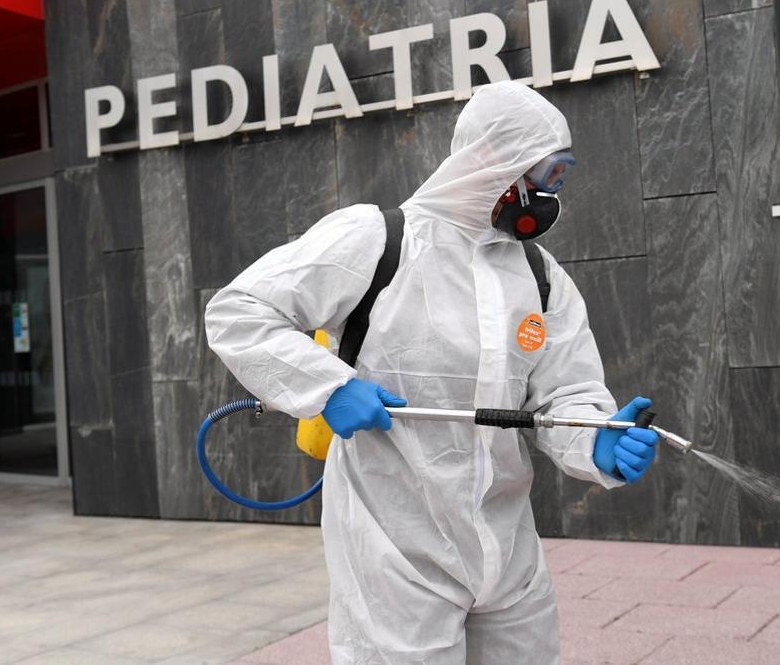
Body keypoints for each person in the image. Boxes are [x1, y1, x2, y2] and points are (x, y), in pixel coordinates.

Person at [206, 81, 659, 663]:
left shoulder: (540, 277)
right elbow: (239, 312)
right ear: (498, 160)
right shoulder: (379, 240)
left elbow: (565, 391)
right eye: (550, 174)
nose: (554, 194)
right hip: (395, 547)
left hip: (508, 547)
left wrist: (595, 440)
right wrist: (329, 387)